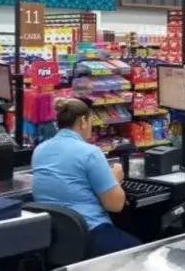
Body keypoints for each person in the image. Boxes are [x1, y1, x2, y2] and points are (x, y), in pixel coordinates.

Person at [31, 98, 140, 258]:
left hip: (54, 237)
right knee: (141, 252)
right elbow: (115, 205)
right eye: (91, 120)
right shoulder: (90, 153)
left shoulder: (39, 150)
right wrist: (115, 178)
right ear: (83, 121)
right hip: (88, 232)